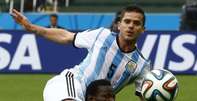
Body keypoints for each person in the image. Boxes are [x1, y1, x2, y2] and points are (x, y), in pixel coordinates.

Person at [10, 5, 151, 101]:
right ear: (119, 25)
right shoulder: (102, 35)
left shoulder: (142, 65)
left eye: (136, 23)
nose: (131, 26)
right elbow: (66, 36)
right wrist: (32, 27)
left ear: (143, 29)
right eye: (127, 21)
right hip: (69, 83)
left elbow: (145, 96)